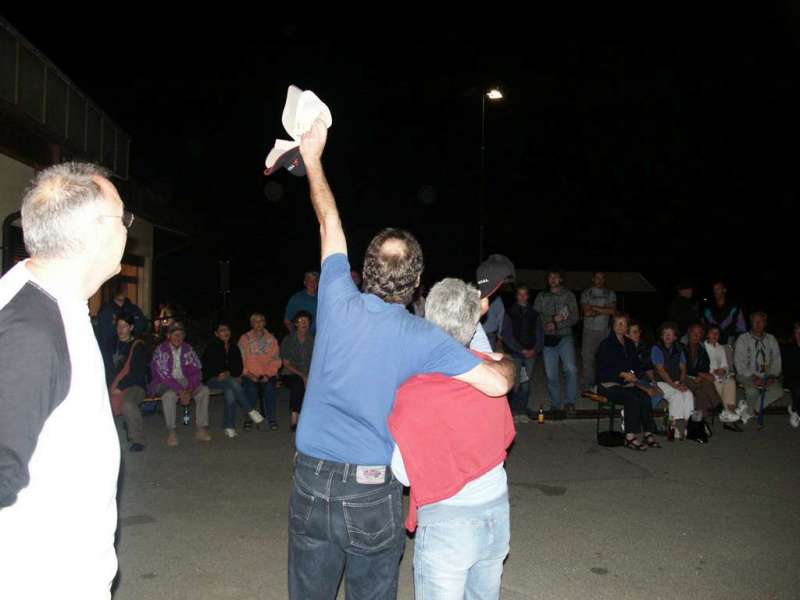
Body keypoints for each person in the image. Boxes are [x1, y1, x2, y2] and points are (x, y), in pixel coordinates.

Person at [288, 119, 516, 600]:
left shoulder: (335, 297)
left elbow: (328, 220)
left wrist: (312, 159)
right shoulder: (424, 337)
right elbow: (496, 386)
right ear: (416, 284)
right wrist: (504, 360)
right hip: (370, 491)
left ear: (363, 273)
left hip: (310, 479)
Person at [0, 162, 127, 598]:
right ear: (96, 229)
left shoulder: (59, 303)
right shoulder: (29, 330)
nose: (127, 229)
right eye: (123, 217)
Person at [389, 278, 516, 599]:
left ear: (427, 320)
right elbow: (502, 438)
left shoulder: (413, 389)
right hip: (496, 511)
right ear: (474, 324)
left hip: (449, 521)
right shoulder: (493, 373)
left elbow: (403, 473)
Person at [596, 313, 660, 450]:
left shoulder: (630, 344)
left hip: (626, 383)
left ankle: (648, 432)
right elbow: (602, 371)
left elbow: (637, 367)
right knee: (631, 397)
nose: (622, 327)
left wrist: (644, 383)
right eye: (619, 323)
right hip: (608, 384)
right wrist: (622, 374)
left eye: (624, 324)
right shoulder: (606, 345)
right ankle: (630, 436)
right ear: (612, 326)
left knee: (644, 396)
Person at [149, 322, 211, 446]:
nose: (178, 337)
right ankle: (171, 431)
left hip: (183, 380)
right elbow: (163, 375)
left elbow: (196, 371)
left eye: (181, 334)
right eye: (175, 334)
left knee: (203, 390)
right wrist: (181, 391)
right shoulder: (161, 350)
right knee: (169, 396)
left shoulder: (188, 349)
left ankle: (201, 429)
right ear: (168, 335)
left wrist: (189, 389)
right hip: (163, 382)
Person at [202, 321, 264, 438]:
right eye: (222, 330)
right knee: (233, 383)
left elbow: (238, 368)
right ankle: (250, 410)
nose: (226, 332)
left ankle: (229, 426)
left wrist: (228, 372)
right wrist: (218, 373)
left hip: (228, 379)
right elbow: (207, 366)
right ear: (216, 333)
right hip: (212, 379)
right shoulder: (212, 346)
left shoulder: (234, 347)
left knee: (230, 390)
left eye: (227, 330)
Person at [534, 267, 579, 416]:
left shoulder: (569, 295)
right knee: (551, 374)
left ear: (561, 279)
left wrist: (557, 324)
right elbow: (535, 316)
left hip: (565, 337)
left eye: (555, 277)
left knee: (571, 369)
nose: (552, 279)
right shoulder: (541, 296)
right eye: (550, 277)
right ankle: (555, 404)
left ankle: (570, 402)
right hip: (548, 340)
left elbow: (575, 317)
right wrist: (547, 323)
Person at [502, 285, 544, 422]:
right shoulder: (509, 312)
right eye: (519, 294)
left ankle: (523, 408)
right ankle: (511, 411)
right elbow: (507, 335)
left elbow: (540, 334)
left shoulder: (534, 313)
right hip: (516, 354)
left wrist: (535, 350)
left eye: (525, 294)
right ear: (516, 296)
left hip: (531, 355)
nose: (522, 296)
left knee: (526, 382)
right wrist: (520, 350)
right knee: (514, 382)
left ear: (528, 296)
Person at [108, 312, 149, 451]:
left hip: (135, 385)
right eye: (119, 325)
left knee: (128, 404)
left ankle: (138, 439)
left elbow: (136, 373)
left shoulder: (138, 346)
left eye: (124, 326)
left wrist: (120, 386)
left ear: (131, 327)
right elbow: (106, 366)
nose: (121, 329)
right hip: (113, 384)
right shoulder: (111, 343)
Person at [651, 322, 695, 440]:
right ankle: (673, 427)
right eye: (664, 334)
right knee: (676, 395)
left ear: (675, 337)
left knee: (688, 394)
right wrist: (675, 387)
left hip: (674, 381)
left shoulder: (679, 348)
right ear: (661, 336)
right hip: (660, 382)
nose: (667, 336)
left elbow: (683, 368)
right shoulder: (656, 348)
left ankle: (686, 424)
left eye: (670, 334)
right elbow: (660, 371)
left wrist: (681, 382)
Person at [734, 311, 784, 415]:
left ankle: (752, 409)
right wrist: (754, 377)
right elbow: (739, 364)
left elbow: (776, 360)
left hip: (767, 375)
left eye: (760, 321)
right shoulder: (742, 339)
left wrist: (772, 376)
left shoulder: (771, 339)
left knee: (778, 391)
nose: (757, 324)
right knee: (752, 391)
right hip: (746, 374)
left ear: (765, 323)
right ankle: (750, 412)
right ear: (751, 323)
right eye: (754, 321)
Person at [239, 313, 282, 430]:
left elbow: (276, 359)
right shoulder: (244, 339)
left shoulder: (271, 339)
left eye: (261, 321)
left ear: (265, 323)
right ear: (251, 324)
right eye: (255, 321)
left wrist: (268, 374)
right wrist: (248, 374)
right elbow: (240, 359)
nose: (258, 323)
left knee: (269, 389)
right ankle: (249, 418)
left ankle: (271, 418)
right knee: (251, 390)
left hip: (268, 374)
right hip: (249, 374)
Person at [580, 270, 617, 390]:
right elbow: (586, 312)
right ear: (593, 279)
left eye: (602, 278)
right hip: (589, 331)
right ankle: (588, 386)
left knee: (604, 359)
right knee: (587, 359)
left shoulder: (610, 293)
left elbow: (612, 311)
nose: (599, 280)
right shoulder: (586, 293)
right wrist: (604, 309)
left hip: (604, 331)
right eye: (597, 278)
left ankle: (603, 385)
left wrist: (594, 307)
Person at [704, 324, 744, 430]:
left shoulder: (720, 347)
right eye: (713, 333)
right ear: (707, 334)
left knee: (730, 382)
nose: (715, 335)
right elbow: (701, 365)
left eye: (717, 333)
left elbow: (725, 365)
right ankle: (730, 414)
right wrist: (713, 371)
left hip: (721, 375)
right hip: (709, 376)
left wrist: (722, 370)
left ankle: (729, 413)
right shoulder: (703, 347)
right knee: (719, 384)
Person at [280, 310, 314, 431]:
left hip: (310, 373)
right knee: (298, 384)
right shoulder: (288, 339)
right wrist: (303, 376)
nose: (303, 323)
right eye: (300, 321)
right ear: (295, 324)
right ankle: (294, 418)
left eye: (306, 321)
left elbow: (317, 361)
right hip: (290, 373)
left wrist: (309, 375)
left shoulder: (314, 340)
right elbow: (286, 363)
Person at [96, 280, 147, 359]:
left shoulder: (134, 309)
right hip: (111, 354)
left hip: (132, 352)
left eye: (125, 288)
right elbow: (103, 335)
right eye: (120, 288)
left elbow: (142, 327)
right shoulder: (105, 311)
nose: (123, 290)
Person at [684, 323, 724, 421]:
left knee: (701, 392)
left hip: (696, 379)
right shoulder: (681, 346)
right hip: (682, 377)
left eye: (699, 333)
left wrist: (701, 376)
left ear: (702, 335)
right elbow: (682, 367)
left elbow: (705, 366)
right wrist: (700, 375)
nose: (696, 336)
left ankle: (699, 422)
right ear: (689, 333)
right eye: (694, 333)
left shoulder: (701, 349)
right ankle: (721, 408)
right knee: (707, 382)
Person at [474, 253, 515, 351]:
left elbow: (501, 317)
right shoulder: (472, 302)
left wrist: (500, 337)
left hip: (490, 335)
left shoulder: (497, 300)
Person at [626, 320, 664, 409]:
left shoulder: (643, 348)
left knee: (659, 393)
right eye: (634, 332)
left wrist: (654, 384)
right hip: (628, 381)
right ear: (627, 334)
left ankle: (643, 418)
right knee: (648, 394)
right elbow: (627, 376)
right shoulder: (624, 350)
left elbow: (648, 368)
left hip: (642, 380)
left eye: (639, 331)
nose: (638, 334)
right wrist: (646, 389)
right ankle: (640, 418)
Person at [702, 280, 747, 345]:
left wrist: (741, 341)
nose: (715, 291)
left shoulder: (734, 307)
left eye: (718, 289)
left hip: (729, 342)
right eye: (714, 289)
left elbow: (742, 327)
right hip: (713, 342)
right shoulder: (708, 308)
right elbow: (706, 326)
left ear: (724, 290)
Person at [781, 322, 800, 428]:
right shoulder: (789, 348)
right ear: (794, 334)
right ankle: (794, 410)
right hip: (792, 378)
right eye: (798, 332)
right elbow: (787, 370)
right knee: (798, 388)